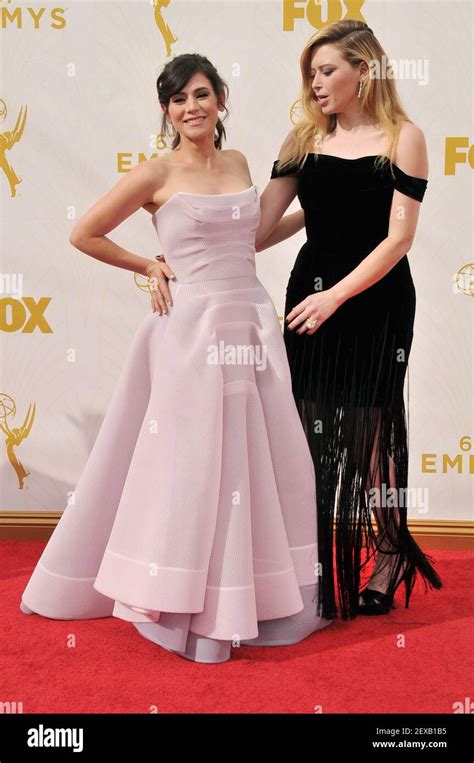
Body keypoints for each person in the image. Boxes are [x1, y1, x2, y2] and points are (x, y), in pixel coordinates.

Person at [20, 54, 333, 664]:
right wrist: (148, 264)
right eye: (176, 99)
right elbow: (84, 231)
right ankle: (180, 603)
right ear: (166, 111)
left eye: (200, 94)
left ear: (220, 98)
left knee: (256, 461)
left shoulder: (241, 164)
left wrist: (313, 213)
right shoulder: (155, 172)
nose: (190, 107)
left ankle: (250, 598)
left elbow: (249, 237)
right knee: (191, 465)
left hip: (250, 322)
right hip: (190, 330)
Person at [257, 20, 442, 620]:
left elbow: (398, 240)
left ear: (365, 71)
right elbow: (261, 229)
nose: (315, 84)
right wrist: (185, 241)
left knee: (370, 436)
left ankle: (390, 553)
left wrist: (336, 296)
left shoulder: (402, 138)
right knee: (305, 427)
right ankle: (309, 560)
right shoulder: (304, 140)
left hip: (374, 301)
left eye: (327, 70)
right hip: (308, 295)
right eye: (310, 73)